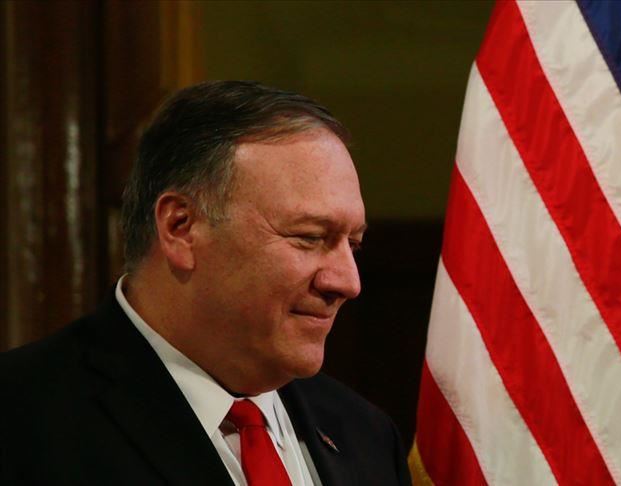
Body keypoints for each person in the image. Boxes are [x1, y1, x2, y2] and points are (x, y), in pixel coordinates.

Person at [0, 81, 411, 486]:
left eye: (352, 244)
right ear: (181, 227)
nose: (348, 282)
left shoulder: (365, 434)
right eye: (310, 237)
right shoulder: (21, 420)